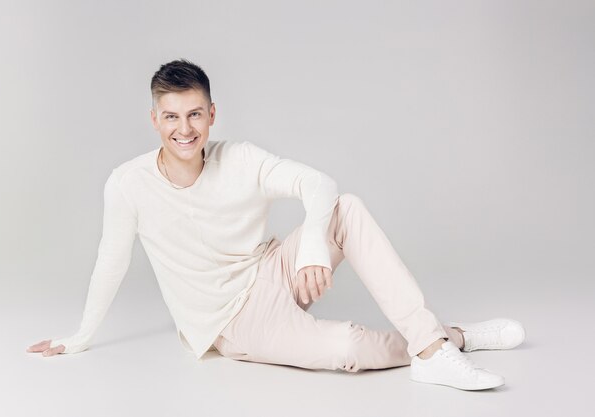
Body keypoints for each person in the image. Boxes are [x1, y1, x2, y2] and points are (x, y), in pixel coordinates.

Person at [26, 58, 526, 391]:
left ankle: (431, 348)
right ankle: (454, 338)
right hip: (233, 322)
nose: (185, 129)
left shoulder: (239, 158)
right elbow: (110, 262)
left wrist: (311, 245)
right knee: (350, 346)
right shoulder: (127, 183)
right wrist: (81, 336)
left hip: (273, 268)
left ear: (212, 114)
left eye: (195, 114)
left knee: (345, 207)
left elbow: (321, 184)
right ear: (154, 120)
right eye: (172, 117)